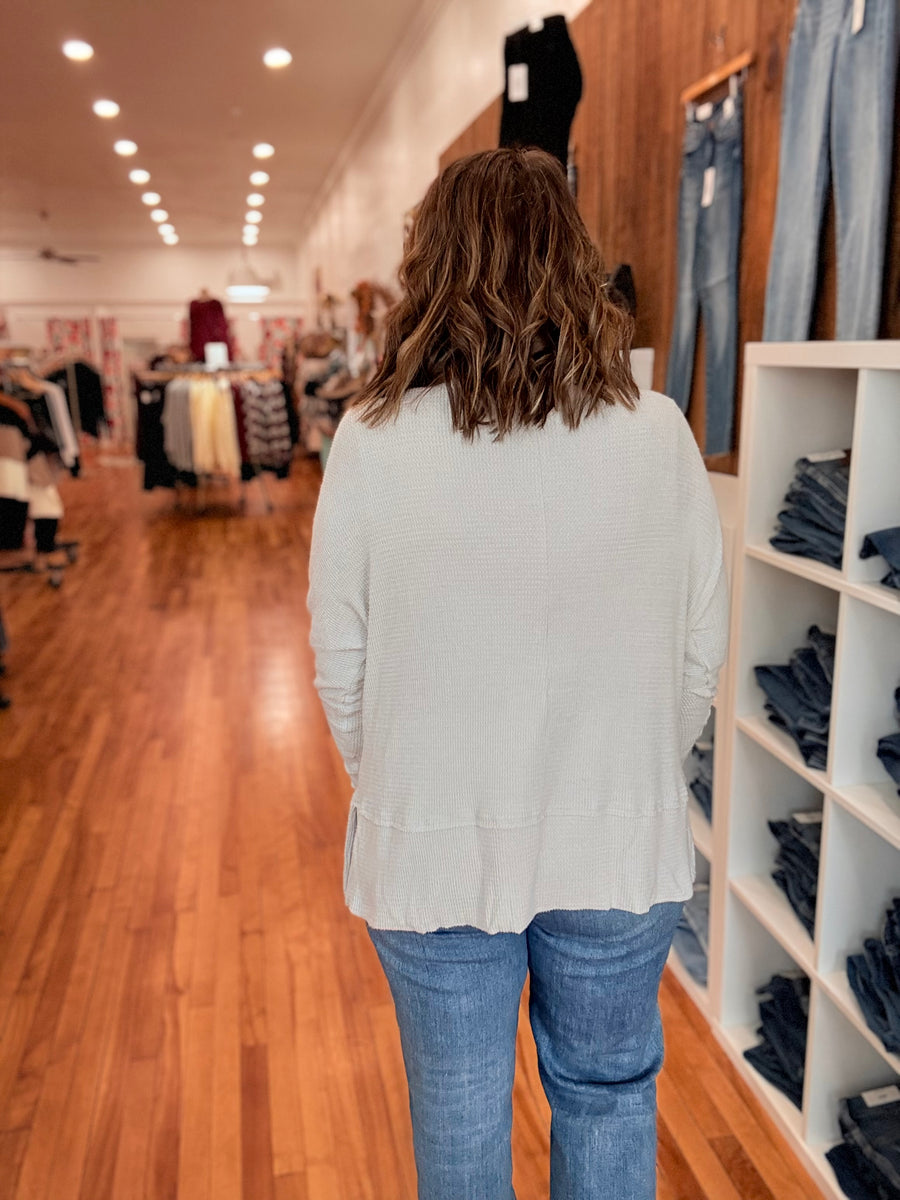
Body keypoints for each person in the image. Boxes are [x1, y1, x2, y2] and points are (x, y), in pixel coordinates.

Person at [307, 147, 729, 1200]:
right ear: (575, 260)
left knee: (458, 1121)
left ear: (429, 268)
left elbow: (343, 667)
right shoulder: (657, 434)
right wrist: (628, 769)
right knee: (608, 1094)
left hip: (432, 842)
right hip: (617, 838)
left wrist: (406, 780)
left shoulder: (371, 439)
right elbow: (697, 653)